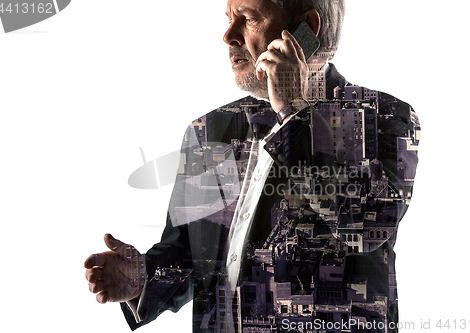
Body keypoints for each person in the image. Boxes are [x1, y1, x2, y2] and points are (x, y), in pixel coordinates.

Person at [84, 0, 420, 332]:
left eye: (248, 18)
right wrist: (144, 277)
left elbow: (367, 226)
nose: (228, 35)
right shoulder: (210, 130)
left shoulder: (383, 116)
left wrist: (294, 113)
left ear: (306, 30)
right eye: (228, 19)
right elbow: (189, 255)